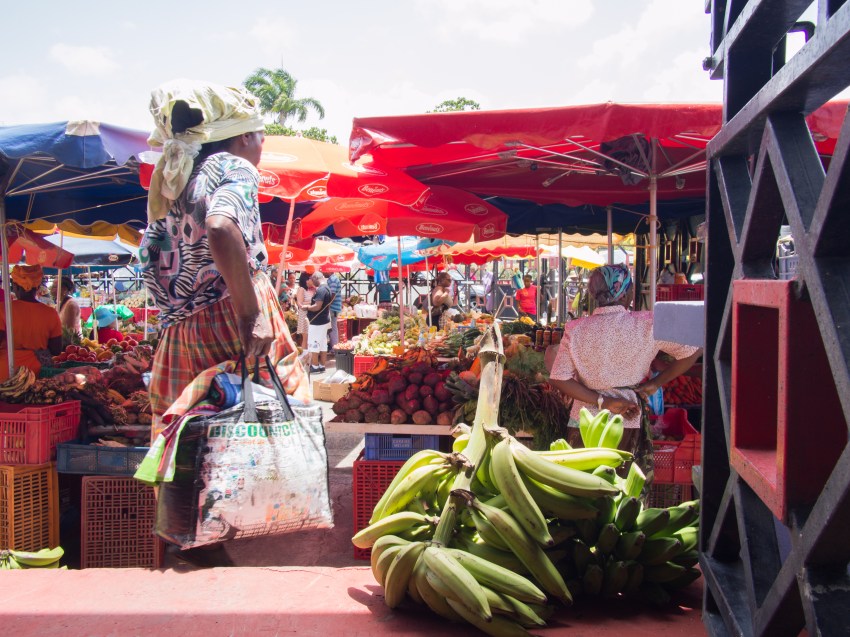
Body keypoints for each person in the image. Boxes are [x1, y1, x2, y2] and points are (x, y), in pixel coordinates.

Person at [139, 78, 308, 433]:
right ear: (245, 136)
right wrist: (251, 314)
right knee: (266, 429)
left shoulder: (179, 177)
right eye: (261, 134)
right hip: (230, 314)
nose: (262, 144)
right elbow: (220, 226)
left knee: (188, 438)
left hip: (183, 330)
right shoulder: (233, 166)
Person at [547, 264, 702, 482]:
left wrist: (603, 401)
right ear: (628, 293)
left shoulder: (576, 328)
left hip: (582, 423)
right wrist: (656, 383)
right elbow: (692, 350)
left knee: (581, 492)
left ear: (593, 294)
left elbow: (559, 378)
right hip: (628, 421)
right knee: (623, 493)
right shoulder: (648, 323)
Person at [0, 265, 63, 381]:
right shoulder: (50, 313)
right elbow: (56, 350)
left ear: (15, 286)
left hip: (6, 372)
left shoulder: (3, 309)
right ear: (38, 286)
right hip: (37, 375)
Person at [302, 272, 332, 373]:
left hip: (317, 322)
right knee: (323, 344)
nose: (311, 281)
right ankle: (322, 365)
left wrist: (306, 307)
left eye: (311, 279)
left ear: (315, 278)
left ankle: (314, 366)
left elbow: (317, 306)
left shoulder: (321, 290)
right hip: (324, 321)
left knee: (313, 344)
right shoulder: (327, 288)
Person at [295, 271, 314, 349]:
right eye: (310, 278)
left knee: (310, 337)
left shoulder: (311, 289)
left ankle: (309, 357)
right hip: (304, 315)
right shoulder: (301, 289)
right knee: (306, 338)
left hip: (310, 314)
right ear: (306, 279)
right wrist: (312, 303)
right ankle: (305, 357)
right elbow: (300, 304)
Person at [326, 271, 342, 349]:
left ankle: (334, 348)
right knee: (332, 327)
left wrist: (327, 304)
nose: (322, 272)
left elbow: (332, 294)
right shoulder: (332, 278)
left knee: (332, 328)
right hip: (334, 307)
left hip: (333, 307)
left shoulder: (332, 279)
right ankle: (333, 347)